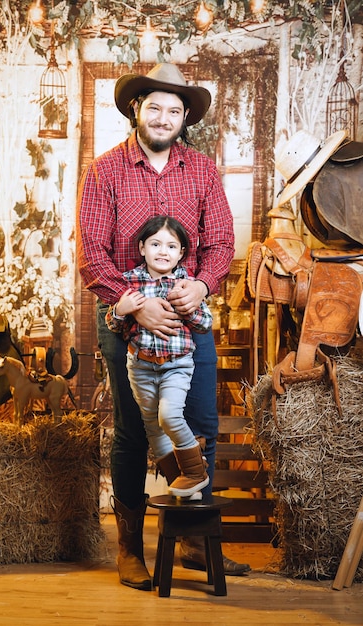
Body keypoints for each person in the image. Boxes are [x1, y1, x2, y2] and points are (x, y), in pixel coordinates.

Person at [77, 62, 251, 591]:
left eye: (174, 110)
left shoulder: (200, 170)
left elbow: (220, 242)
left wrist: (201, 286)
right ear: (136, 109)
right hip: (128, 323)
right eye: (154, 106)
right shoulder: (105, 171)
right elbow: (93, 253)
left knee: (200, 424)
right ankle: (130, 547)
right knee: (134, 433)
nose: (163, 117)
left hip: (188, 321)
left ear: (184, 118)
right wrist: (133, 304)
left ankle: (194, 540)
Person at [106, 215, 212, 499]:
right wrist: (121, 308)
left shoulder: (186, 285)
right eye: (155, 244)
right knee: (153, 426)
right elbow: (114, 325)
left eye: (171, 246)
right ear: (142, 248)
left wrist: (189, 306)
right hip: (140, 366)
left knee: (169, 415)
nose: (163, 251)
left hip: (176, 366)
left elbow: (204, 324)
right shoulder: (128, 283)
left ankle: (195, 472)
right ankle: (183, 483)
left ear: (181, 253)